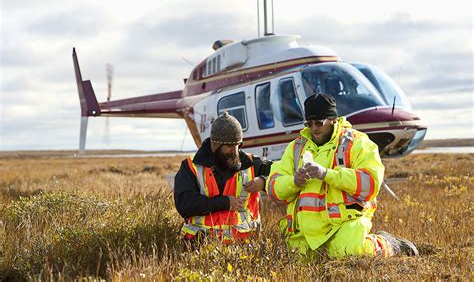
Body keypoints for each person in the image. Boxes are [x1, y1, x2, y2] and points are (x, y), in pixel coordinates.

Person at [267, 93, 418, 258]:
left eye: (319, 123)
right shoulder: (295, 148)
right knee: (295, 263)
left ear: (333, 119)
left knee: (346, 252)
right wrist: (293, 181)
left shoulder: (358, 142)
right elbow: (273, 188)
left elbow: (371, 184)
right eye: (309, 123)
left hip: (345, 223)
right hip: (304, 232)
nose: (314, 128)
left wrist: (326, 174)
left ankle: (389, 243)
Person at [174, 112, 272, 243]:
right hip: (199, 246)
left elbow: (280, 172)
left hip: (245, 248)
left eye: (237, 145)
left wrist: (264, 181)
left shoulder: (251, 162)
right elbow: (184, 205)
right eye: (230, 146)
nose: (235, 151)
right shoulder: (190, 167)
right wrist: (224, 202)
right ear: (215, 144)